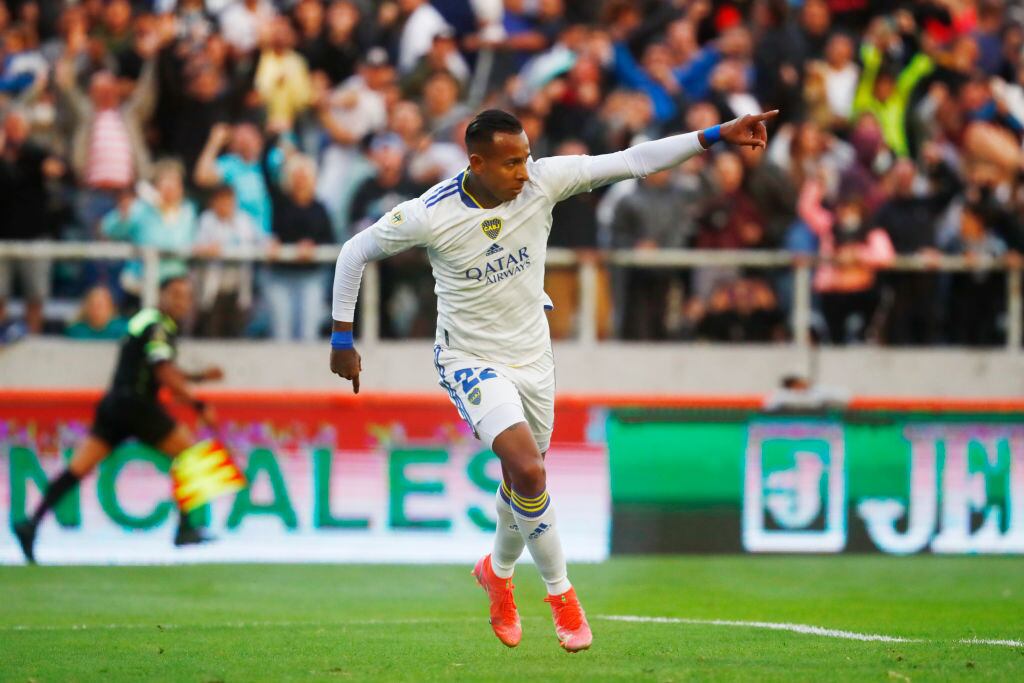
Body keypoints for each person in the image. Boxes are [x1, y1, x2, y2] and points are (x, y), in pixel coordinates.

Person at [329, 108, 777, 651]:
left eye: (527, 156)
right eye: (512, 162)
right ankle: (562, 598)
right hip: (469, 358)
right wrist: (342, 339)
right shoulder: (428, 214)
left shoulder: (542, 181)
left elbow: (632, 161)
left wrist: (714, 136)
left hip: (534, 358)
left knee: (525, 482)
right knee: (528, 469)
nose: (525, 170)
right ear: (477, 162)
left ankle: (496, 573)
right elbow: (354, 253)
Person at [12, 277, 224, 564]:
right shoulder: (159, 324)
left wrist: (197, 378)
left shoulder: (147, 322)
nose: (181, 301)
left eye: (186, 296)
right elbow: (162, 373)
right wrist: (199, 405)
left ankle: (30, 523)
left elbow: (156, 368)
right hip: (135, 404)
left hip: (114, 404)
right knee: (193, 455)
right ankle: (185, 528)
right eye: (175, 294)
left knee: (78, 468)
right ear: (160, 295)